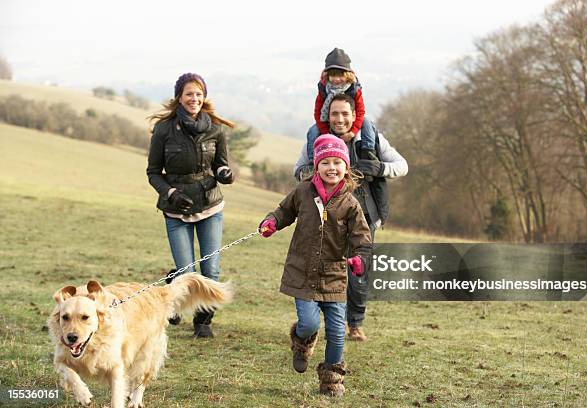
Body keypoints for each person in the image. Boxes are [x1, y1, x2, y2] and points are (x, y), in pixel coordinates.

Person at [259, 134, 372, 397]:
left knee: (336, 332)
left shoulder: (350, 204)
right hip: (303, 273)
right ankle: (302, 343)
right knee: (308, 323)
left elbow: (362, 240)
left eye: (337, 162)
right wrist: (271, 222)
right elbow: (283, 211)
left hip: (334, 276)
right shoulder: (302, 192)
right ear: (316, 166)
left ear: (346, 167)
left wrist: (359, 260)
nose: (332, 168)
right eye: (326, 163)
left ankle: (332, 378)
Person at [295, 93, 408, 342]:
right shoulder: (316, 138)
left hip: (364, 215)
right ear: (327, 116)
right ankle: (326, 322)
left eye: (345, 113)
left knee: (359, 271)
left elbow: (402, 165)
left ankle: (355, 324)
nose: (340, 119)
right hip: (326, 217)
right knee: (327, 269)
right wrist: (314, 175)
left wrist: (379, 168)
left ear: (355, 115)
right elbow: (299, 169)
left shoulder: (371, 138)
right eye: (334, 113)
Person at [146, 72, 235, 338]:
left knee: (211, 269)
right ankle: (175, 284)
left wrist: (223, 173)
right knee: (187, 271)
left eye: (198, 94)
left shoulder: (215, 128)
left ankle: (203, 321)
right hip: (176, 209)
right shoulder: (164, 130)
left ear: (203, 97)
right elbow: (152, 172)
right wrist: (171, 192)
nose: (194, 98)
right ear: (179, 98)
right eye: (189, 94)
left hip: (210, 206)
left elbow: (221, 163)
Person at [306, 48, 377, 162]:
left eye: (340, 75)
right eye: (333, 75)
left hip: (352, 123)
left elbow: (360, 111)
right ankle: (311, 161)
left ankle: (368, 154)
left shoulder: (354, 88)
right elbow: (318, 112)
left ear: (348, 74)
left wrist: (353, 132)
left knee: (367, 123)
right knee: (313, 130)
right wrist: (326, 133)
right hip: (328, 123)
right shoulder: (324, 89)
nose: (336, 79)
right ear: (327, 75)